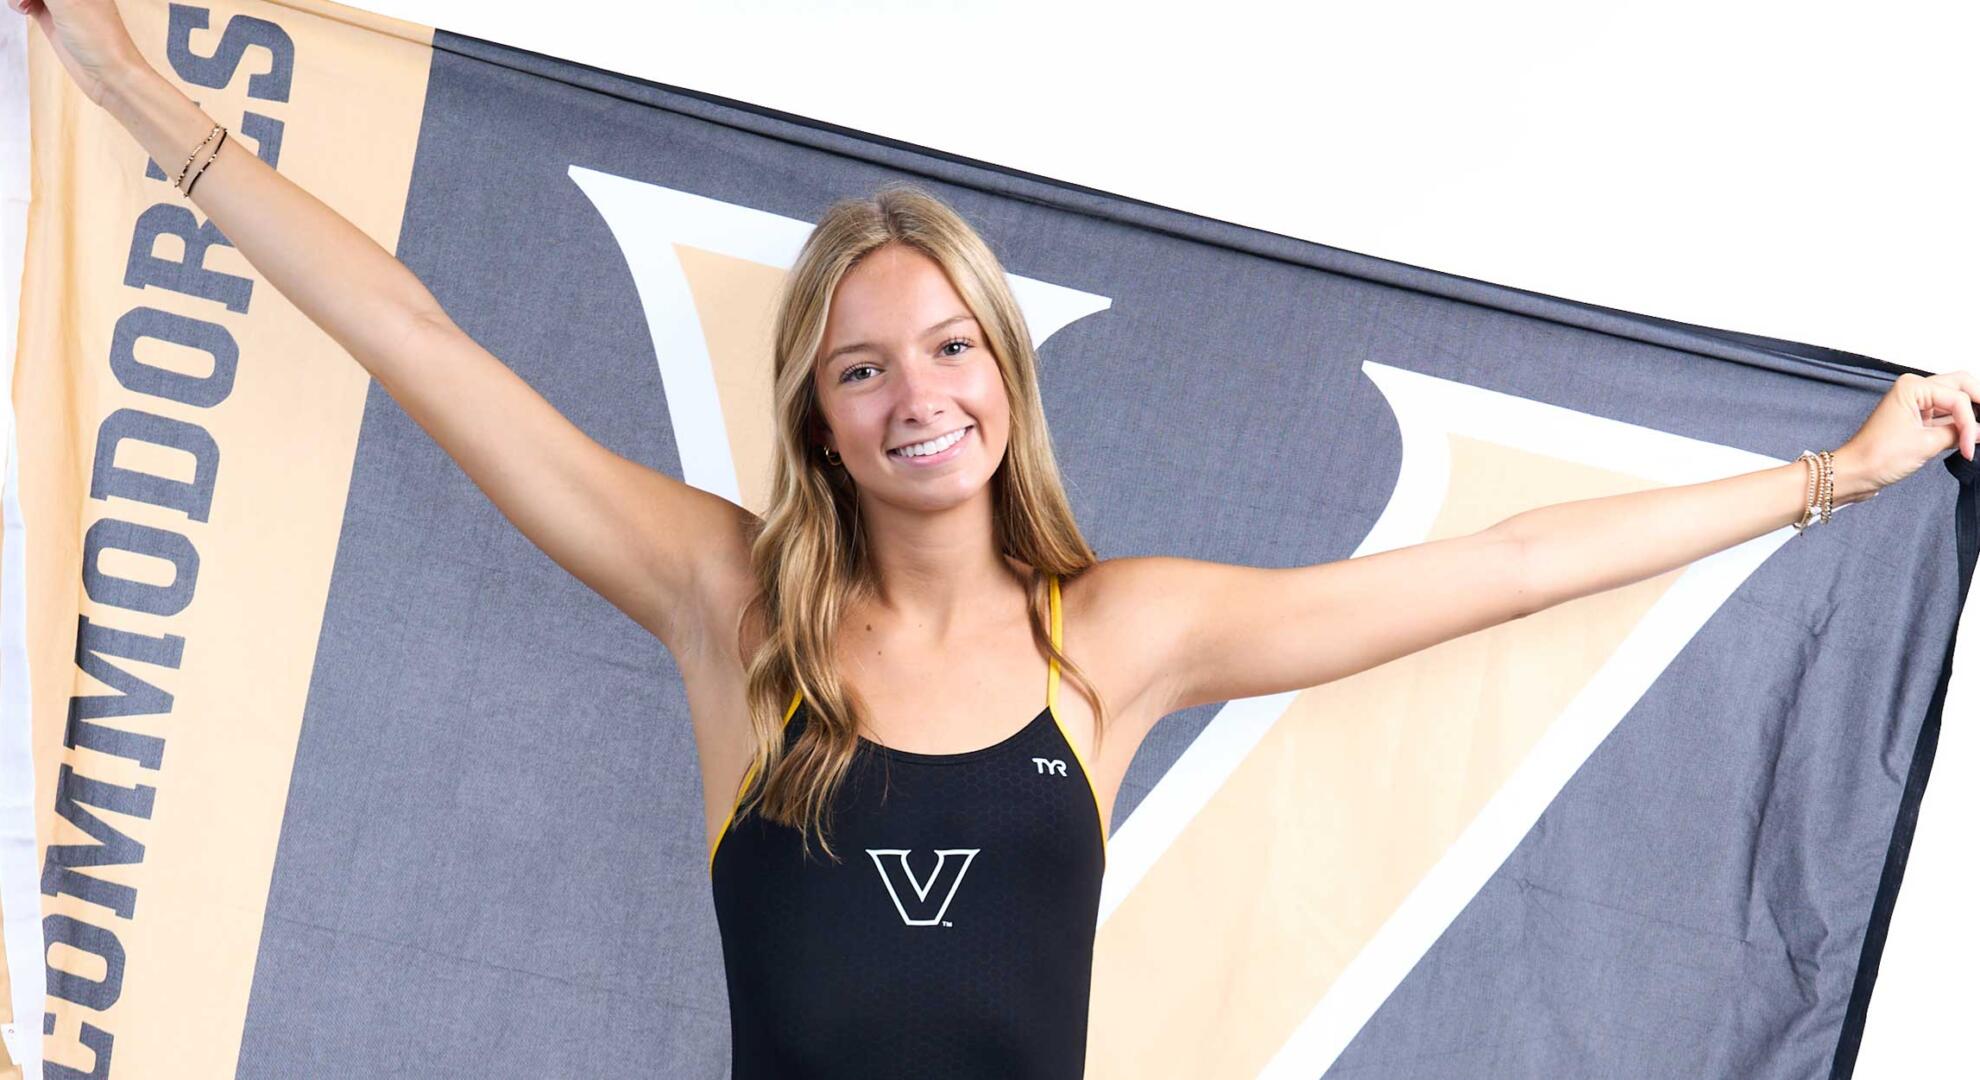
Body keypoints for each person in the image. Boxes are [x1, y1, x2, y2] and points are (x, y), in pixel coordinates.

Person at [15, 2, 1979, 1077]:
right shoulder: (727, 608)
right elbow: (426, 347)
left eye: (950, 344)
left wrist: (1826, 481)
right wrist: (137, 98)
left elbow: (1497, 571)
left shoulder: (1115, 640)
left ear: (1005, 377)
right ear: (820, 418)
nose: (917, 391)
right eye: (863, 369)